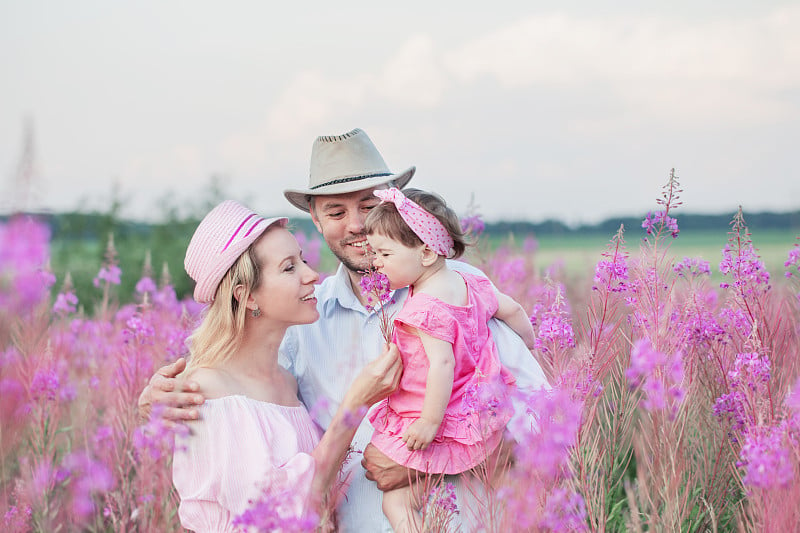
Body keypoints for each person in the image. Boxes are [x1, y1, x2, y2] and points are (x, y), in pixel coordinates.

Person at [139, 128, 549, 531]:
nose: (356, 226)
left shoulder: (457, 290)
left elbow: (544, 420)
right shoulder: (301, 323)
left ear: (398, 208)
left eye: (370, 207)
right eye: (336, 212)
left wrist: (436, 457)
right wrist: (158, 399)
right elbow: (238, 400)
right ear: (316, 220)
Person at [170, 199, 401, 531]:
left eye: (303, 260)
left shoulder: (286, 382)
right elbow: (279, 516)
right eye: (289, 267)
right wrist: (355, 405)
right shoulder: (209, 394)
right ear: (246, 295)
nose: (312, 275)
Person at [363, 187, 536, 531]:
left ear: (426, 253)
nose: (375, 262)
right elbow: (513, 309)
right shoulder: (471, 284)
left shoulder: (423, 308)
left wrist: (428, 422)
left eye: (384, 253)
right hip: (481, 408)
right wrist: (529, 346)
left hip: (441, 415)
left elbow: (442, 365)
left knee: (396, 500)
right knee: (499, 490)